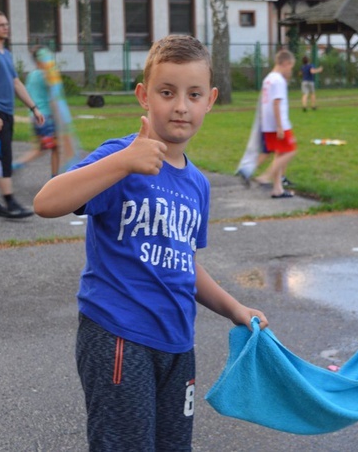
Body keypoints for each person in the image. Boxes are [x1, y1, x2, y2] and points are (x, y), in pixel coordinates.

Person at [33, 35, 269, 451]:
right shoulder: (121, 157)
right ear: (144, 96)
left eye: (193, 94)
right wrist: (123, 162)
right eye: (167, 92)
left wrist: (235, 309)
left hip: (178, 343)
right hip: (118, 336)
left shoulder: (197, 183)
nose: (181, 106)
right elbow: (46, 202)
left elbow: (184, 263)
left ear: (210, 100)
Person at [0, 9, 44, 218]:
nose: (6, 27)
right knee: (1, 157)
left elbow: (16, 82)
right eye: (0, 25)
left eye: (6, 24)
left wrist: (33, 107)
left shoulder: (6, 54)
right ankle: (10, 202)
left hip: (5, 112)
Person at [252, 49, 297, 198]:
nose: (290, 69)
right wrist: (279, 126)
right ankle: (266, 175)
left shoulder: (268, 79)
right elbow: (276, 103)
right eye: (290, 66)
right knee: (291, 150)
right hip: (279, 124)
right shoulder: (278, 80)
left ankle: (277, 189)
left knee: (279, 153)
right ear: (285, 63)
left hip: (267, 124)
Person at [13, 47, 60, 178]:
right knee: (48, 148)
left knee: (48, 147)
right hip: (47, 118)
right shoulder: (45, 76)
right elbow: (53, 98)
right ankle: (19, 164)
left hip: (36, 117)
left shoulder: (31, 75)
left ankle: (54, 176)